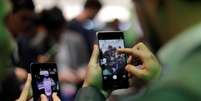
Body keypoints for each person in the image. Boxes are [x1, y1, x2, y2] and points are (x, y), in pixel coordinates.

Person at [74, 0, 201, 101]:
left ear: (152, 2)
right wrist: (158, 79)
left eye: (134, 3)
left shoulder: (176, 92)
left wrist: (92, 90)